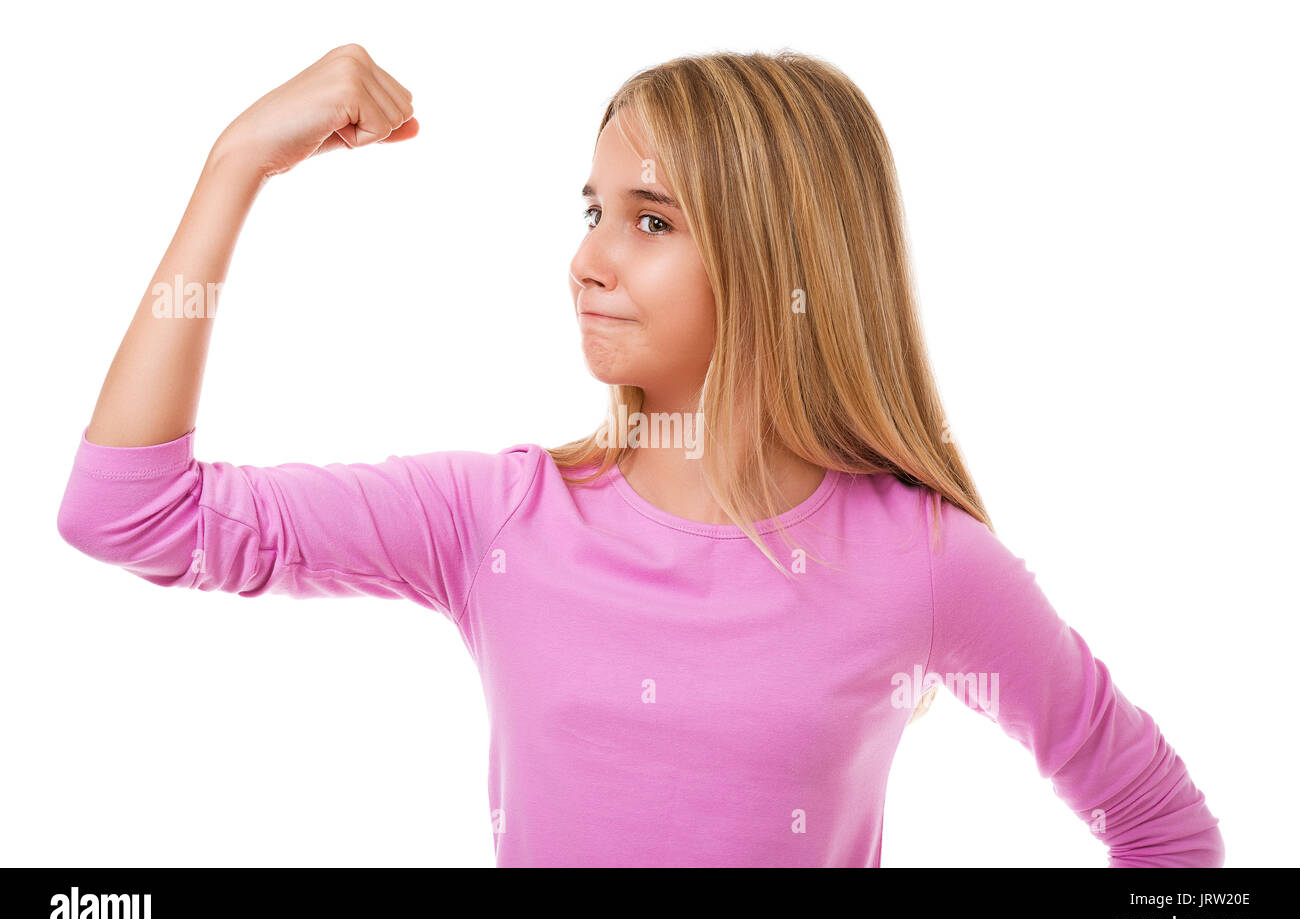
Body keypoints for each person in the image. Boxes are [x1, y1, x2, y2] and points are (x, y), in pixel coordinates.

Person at [56, 44, 1225, 867]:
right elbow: (130, 514)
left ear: (782, 263)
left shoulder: (924, 564)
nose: (590, 260)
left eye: (651, 219)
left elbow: (1164, 833)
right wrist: (235, 165)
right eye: (590, 209)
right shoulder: (497, 521)